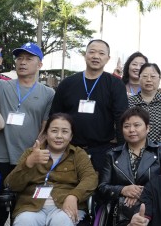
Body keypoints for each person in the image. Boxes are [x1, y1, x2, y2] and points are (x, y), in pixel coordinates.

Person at [0, 38, 55, 187]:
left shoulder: (49, 93)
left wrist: (35, 151)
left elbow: (45, 128)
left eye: (29, 59)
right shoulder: (2, 85)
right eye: (19, 58)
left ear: (39, 65)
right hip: (0, 156)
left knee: (25, 198)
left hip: (29, 156)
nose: (22, 62)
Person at [50, 38, 129, 174]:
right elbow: (54, 116)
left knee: (99, 185)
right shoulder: (68, 83)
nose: (96, 56)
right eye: (92, 52)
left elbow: (121, 119)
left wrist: (122, 151)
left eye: (101, 53)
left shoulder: (115, 84)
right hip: (69, 148)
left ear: (108, 58)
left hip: (103, 150)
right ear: (85, 55)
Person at [127, 63, 161, 146]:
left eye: (153, 76)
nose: (149, 80)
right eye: (145, 76)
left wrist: (155, 146)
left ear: (159, 79)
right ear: (139, 79)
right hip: (135, 147)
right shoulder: (131, 101)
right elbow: (127, 125)